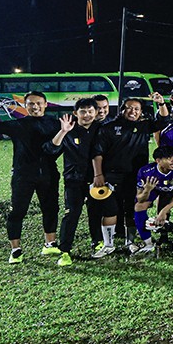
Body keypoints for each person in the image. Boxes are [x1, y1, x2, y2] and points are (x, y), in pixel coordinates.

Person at [0, 90, 63, 263]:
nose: (35, 106)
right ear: (25, 106)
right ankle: (15, 250)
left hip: (49, 174)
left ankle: (50, 244)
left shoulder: (55, 124)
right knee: (18, 211)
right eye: (31, 103)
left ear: (46, 104)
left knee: (51, 208)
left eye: (39, 103)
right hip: (23, 175)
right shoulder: (18, 124)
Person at [91, 94, 171, 246]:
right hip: (113, 176)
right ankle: (108, 243)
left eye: (137, 109)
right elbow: (97, 153)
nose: (133, 111)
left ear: (141, 112)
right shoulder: (108, 128)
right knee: (111, 210)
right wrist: (99, 174)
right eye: (129, 108)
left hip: (136, 175)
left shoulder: (144, 125)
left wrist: (161, 103)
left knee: (131, 208)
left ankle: (131, 242)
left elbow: (163, 121)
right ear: (122, 110)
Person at [48, 99, 111, 265]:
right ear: (76, 114)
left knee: (95, 212)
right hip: (73, 180)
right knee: (72, 214)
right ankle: (65, 251)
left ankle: (97, 242)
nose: (87, 115)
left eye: (90, 111)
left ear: (96, 113)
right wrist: (62, 132)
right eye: (83, 111)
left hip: (96, 180)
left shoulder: (102, 129)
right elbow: (51, 150)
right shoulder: (68, 129)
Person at [133, 145, 173, 254]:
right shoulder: (146, 172)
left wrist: (164, 210)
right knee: (139, 206)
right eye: (169, 158)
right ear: (158, 161)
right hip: (155, 190)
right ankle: (148, 245)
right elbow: (140, 198)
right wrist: (147, 190)